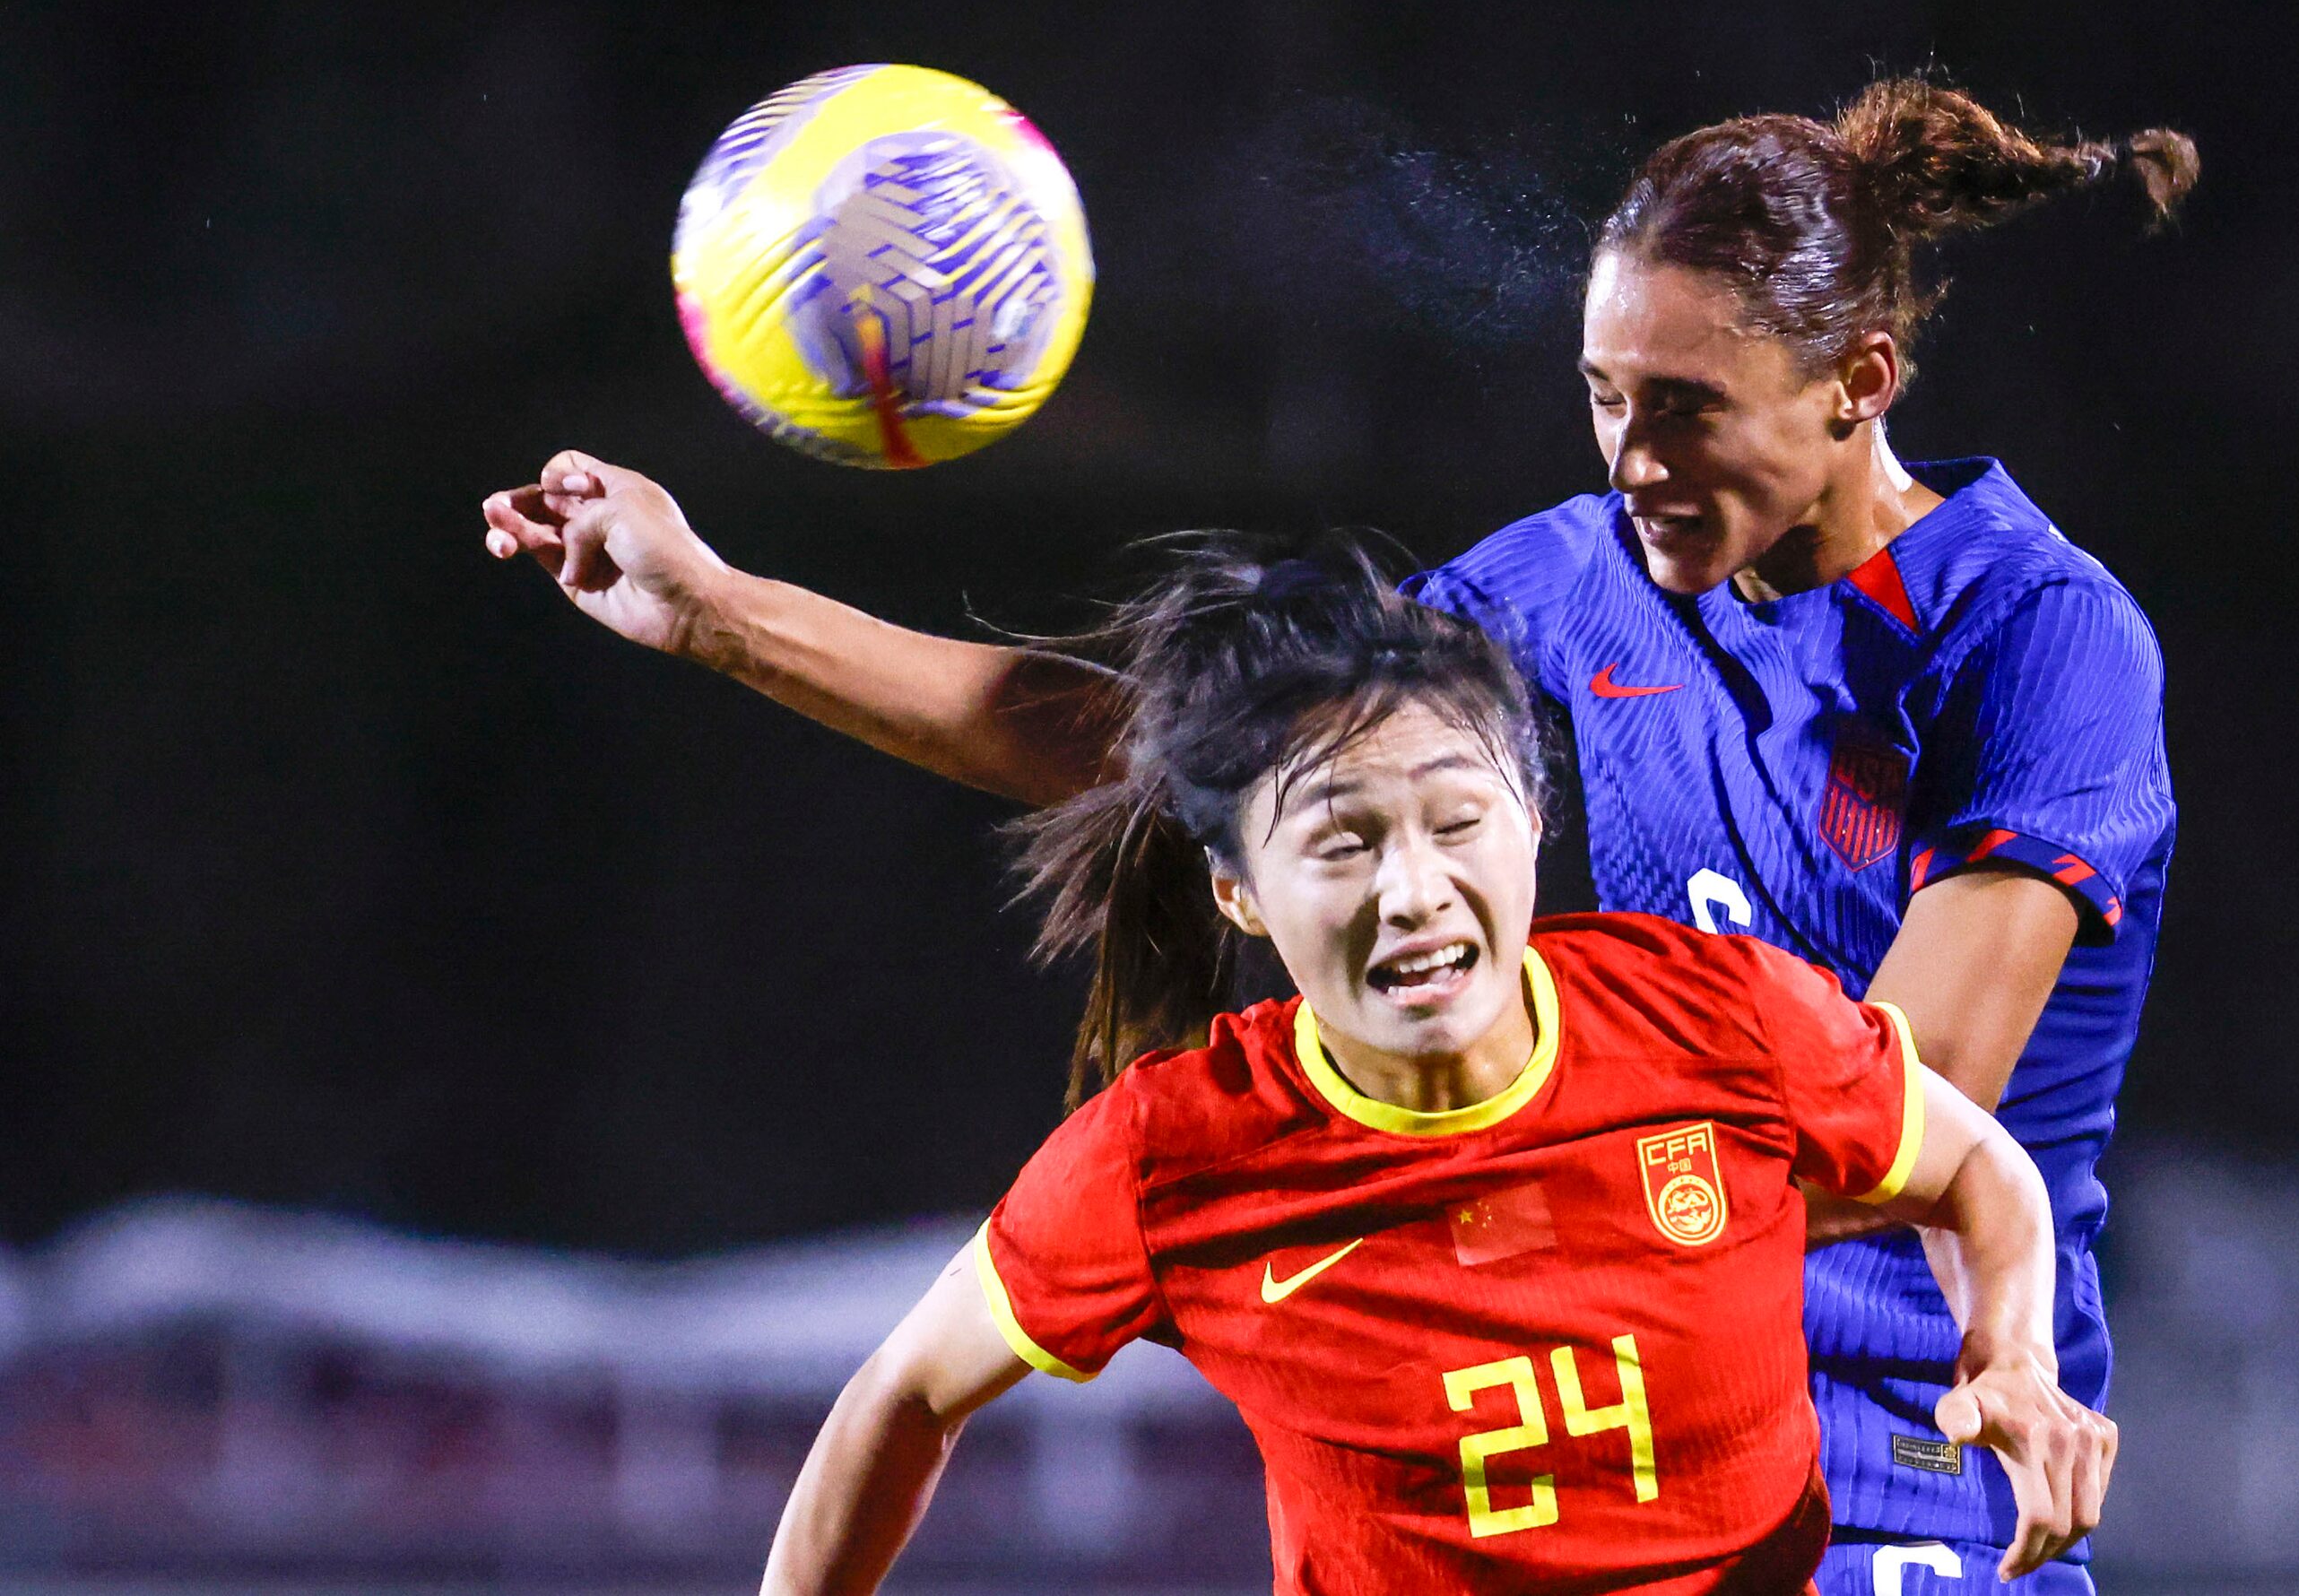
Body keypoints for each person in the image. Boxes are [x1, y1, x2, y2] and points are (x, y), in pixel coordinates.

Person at [484, 75, 2191, 1592]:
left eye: (1684, 406)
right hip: (1592, 1429)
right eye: (1604, 398)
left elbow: (1914, 1090)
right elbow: (1206, 747)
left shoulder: (2036, 634)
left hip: (1917, 1435)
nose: (1633, 457)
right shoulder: (1577, 578)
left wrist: (1414, 1196)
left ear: (1857, 384)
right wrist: (719, 614)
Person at [755, 542, 2107, 1595]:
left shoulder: (1715, 1014)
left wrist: (2014, 1354)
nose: (1415, 890)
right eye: (1342, 843)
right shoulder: (1176, 1154)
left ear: (1529, 820)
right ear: (1237, 891)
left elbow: (1980, 1167)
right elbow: (903, 1392)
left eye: (1458, 819)